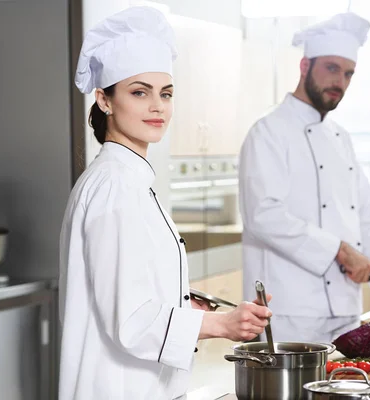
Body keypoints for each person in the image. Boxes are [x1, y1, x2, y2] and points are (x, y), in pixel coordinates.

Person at [58, 7, 271, 400]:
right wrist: (222, 325)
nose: (158, 106)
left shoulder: (132, 180)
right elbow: (131, 321)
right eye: (140, 92)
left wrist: (194, 311)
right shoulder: (114, 186)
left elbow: (135, 292)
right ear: (104, 100)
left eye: (166, 93)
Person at [238, 12, 370, 344]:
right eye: (332, 69)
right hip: (288, 312)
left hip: (345, 310)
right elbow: (263, 215)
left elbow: (364, 215)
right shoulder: (267, 132)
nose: (340, 81)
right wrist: (338, 250)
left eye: (349, 73)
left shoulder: (341, 138)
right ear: (305, 66)